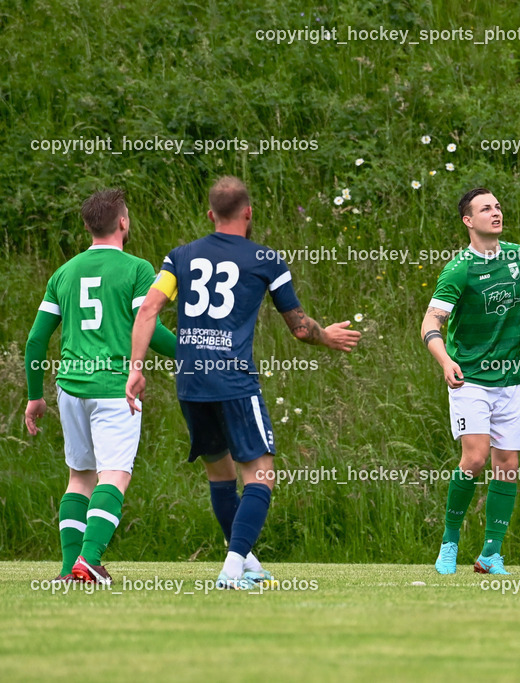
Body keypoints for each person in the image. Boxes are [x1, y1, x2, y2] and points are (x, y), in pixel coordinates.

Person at [126, 176, 360, 589]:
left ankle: (245, 561)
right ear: (249, 212)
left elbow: (148, 309)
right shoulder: (266, 259)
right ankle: (232, 570)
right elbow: (301, 329)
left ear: (210, 215)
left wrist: (136, 367)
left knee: (220, 474)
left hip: (191, 381)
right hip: (233, 380)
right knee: (261, 474)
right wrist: (328, 337)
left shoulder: (178, 257)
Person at [24, 189, 177, 583]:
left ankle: (67, 569)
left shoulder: (64, 272)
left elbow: (36, 341)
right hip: (114, 387)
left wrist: (35, 396)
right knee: (114, 474)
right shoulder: (138, 269)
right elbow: (152, 330)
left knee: (79, 476)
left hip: (70, 389)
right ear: (123, 222)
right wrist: (192, 355)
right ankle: (89, 560)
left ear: (87, 226)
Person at [422, 187, 520, 576]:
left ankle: (490, 554)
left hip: (510, 379)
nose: (496, 212)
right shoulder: (459, 269)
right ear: (469, 221)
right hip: (470, 379)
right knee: (474, 459)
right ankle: (449, 542)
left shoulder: (517, 256)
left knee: (508, 465)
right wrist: (445, 360)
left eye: (498, 206)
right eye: (486, 209)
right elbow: (430, 322)